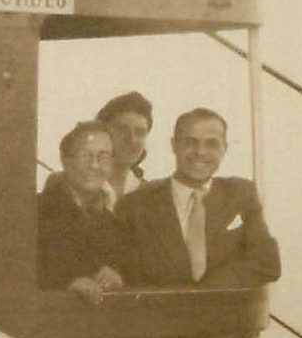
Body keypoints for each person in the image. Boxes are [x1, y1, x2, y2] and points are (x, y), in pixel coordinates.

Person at [116, 108, 281, 287]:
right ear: (174, 145)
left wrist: (206, 291)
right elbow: (125, 273)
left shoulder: (241, 194)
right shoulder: (136, 204)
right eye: (190, 142)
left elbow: (267, 263)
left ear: (225, 148)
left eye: (211, 144)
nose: (200, 152)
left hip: (226, 313)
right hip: (162, 313)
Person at [37, 121, 134, 303]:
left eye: (104, 157)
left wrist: (116, 276)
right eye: (85, 156)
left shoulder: (113, 221)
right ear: (65, 160)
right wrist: (67, 283)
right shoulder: (35, 212)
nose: (95, 165)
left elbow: (129, 269)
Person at [96, 91, 153, 207]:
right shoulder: (74, 188)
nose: (131, 139)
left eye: (140, 132)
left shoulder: (152, 198)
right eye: (121, 129)